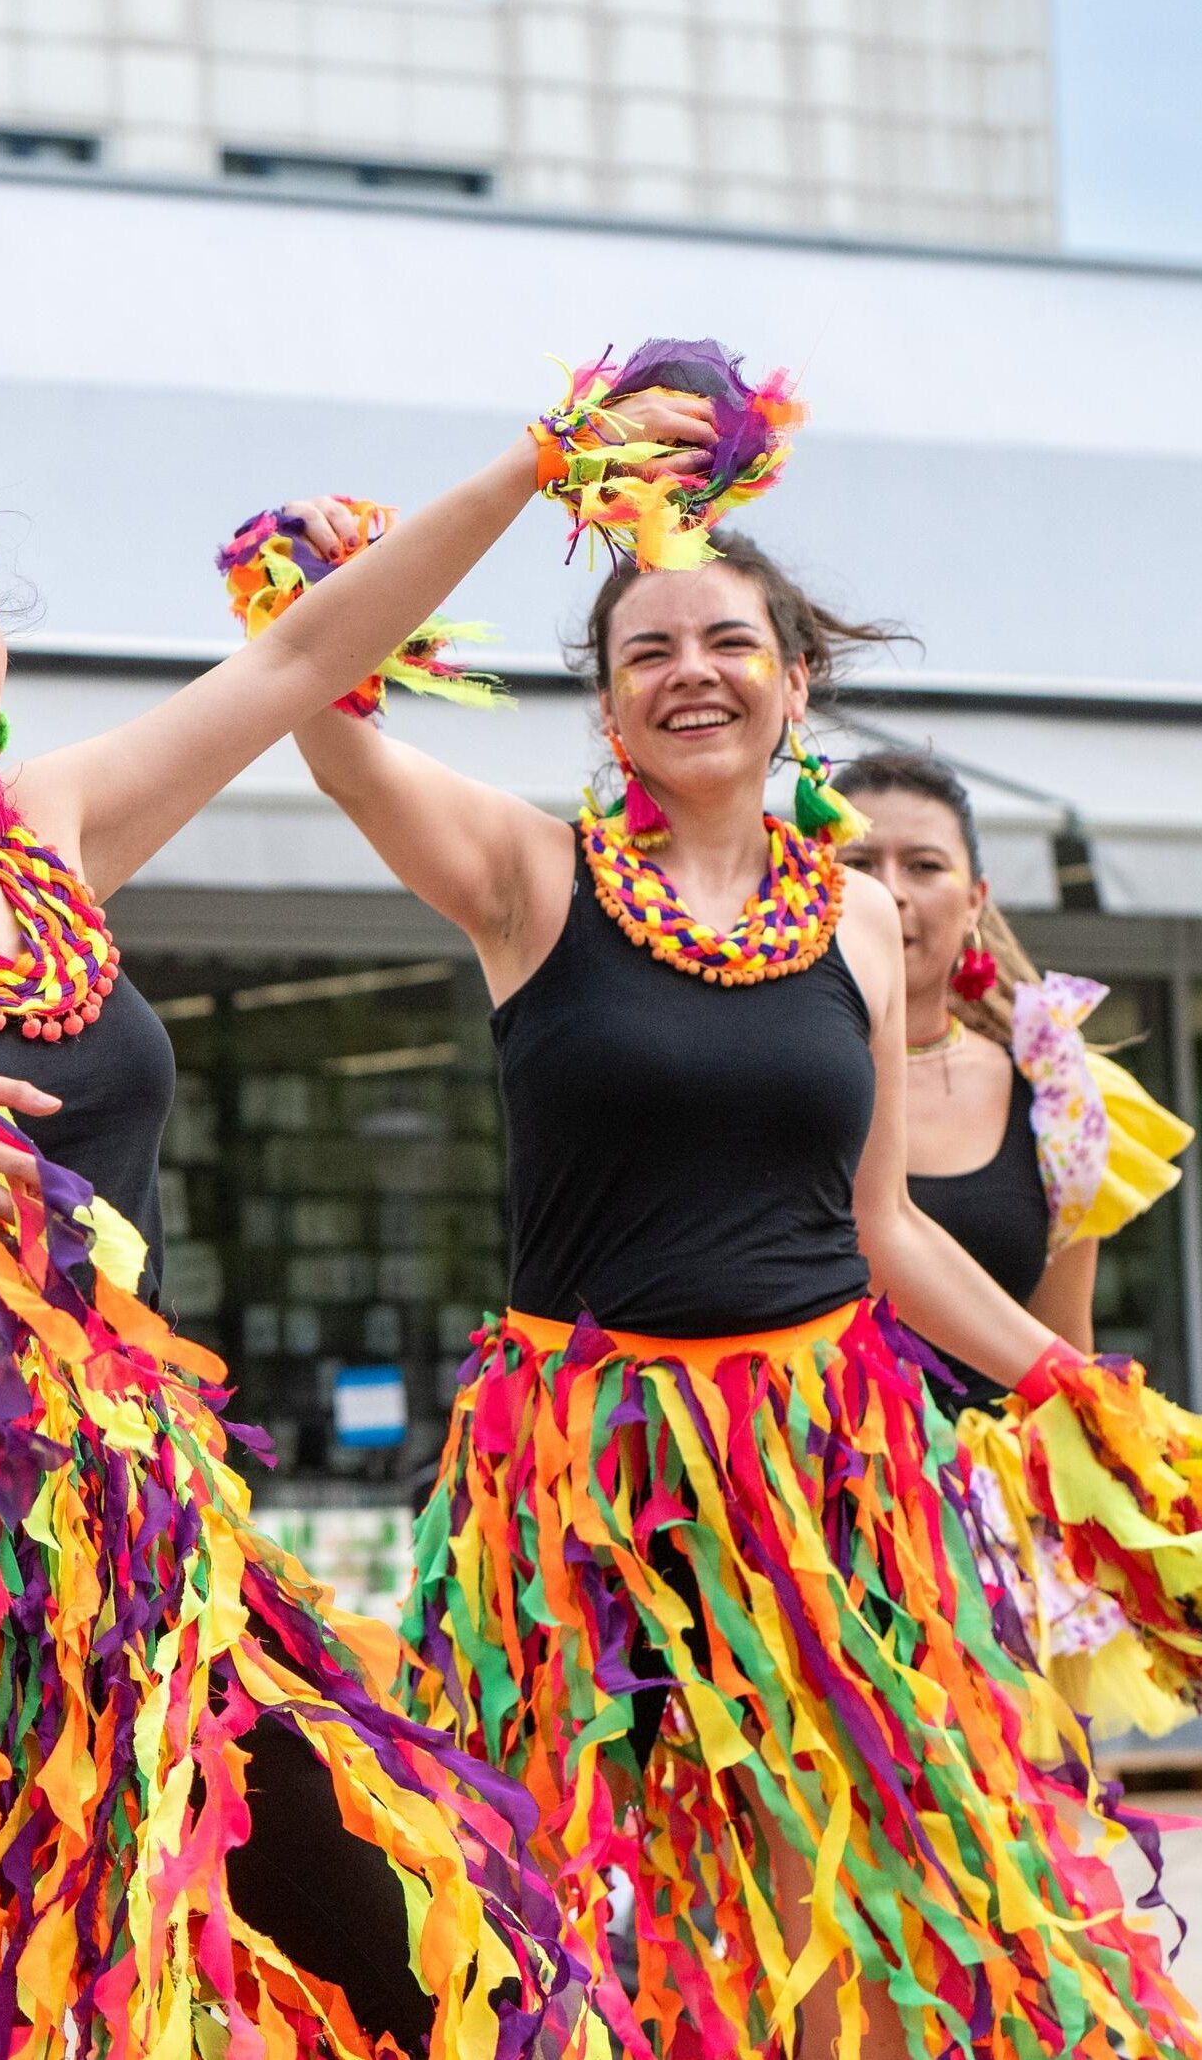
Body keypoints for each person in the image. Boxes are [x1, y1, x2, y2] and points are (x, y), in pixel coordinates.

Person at [0, 422, 704, 2060]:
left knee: (420, 1953)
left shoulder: (57, 837)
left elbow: (307, 653)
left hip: (128, 1506)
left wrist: (532, 467)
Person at [275, 342, 1199, 2059]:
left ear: (792, 685)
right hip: (579, 1475)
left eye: (727, 644)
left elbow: (882, 1233)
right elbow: (323, 719)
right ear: (606, 701)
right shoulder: (526, 875)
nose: (690, 673)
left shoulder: (852, 917)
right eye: (647, 651)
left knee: (844, 1871)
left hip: (822, 1463)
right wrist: (502, 487)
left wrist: (1068, 1389)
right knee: (533, 1885)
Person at [834, 748, 1196, 1736]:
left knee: (1003, 1868)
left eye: (923, 865)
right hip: (795, 1524)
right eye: (857, 862)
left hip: (984, 1553)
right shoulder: (763, 1081)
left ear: (976, 895)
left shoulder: (1059, 1094)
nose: (892, 893)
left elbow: (1062, 1348)